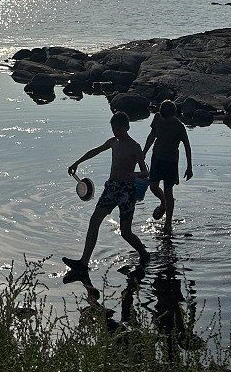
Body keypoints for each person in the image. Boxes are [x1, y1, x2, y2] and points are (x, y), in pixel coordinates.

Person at [63, 111, 149, 281]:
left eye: (118, 129)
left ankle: (144, 253)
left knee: (125, 232)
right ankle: (83, 262)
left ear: (127, 127)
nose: (116, 132)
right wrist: (77, 163)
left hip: (127, 191)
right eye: (113, 129)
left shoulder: (135, 147)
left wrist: (135, 175)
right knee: (94, 220)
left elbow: (146, 173)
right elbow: (95, 151)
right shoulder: (113, 142)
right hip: (112, 188)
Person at [144, 99, 193, 234]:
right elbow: (152, 135)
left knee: (168, 190)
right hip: (157, 158)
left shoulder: (179, 126)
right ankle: (163, 204)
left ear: (174, 114)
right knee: (153, 186)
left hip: (171, 161)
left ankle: (168, 223)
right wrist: (143, 152)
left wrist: (189, 167)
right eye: (164, 117)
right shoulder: (158, 118)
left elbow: (187, 146)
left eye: (168, 118)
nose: (165, 120)